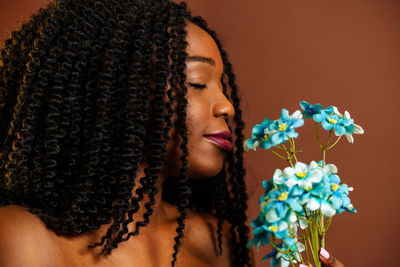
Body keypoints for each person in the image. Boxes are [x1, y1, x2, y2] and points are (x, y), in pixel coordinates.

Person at [0, 0, 345, 266]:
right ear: (118, 94)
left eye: (222, 87)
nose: (227, 106)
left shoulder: (220, 243)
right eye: (197, 82)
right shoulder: (20, 238)